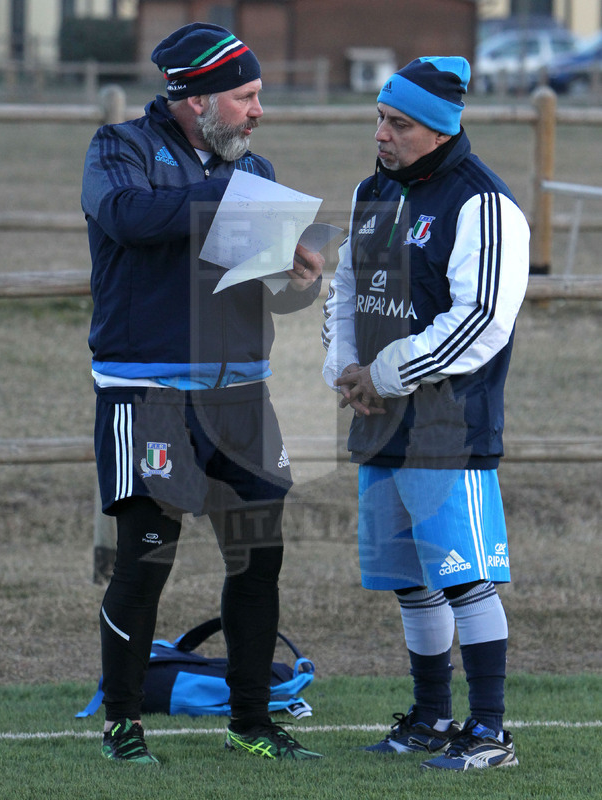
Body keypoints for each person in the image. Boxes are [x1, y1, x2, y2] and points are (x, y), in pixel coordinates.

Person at [82, 22, 325, 764]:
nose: (258, 111)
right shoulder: (118, 149)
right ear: (198, 99)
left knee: (258, 563)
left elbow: (244, 280)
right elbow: (126, 219)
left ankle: (250, 723)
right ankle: (123, 725)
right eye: (247, 96)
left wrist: (286, 269)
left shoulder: (249, 164)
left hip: (243, 399)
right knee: (145, 559)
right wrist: (224, 192)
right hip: (148, 394)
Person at [322, 56, 529, 771]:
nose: (381, 133)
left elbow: (479, 322)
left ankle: (490, 731)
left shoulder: (484, 204)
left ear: (439, 130)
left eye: (398, 123)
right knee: (409, 578)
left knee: (461, 574)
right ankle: (430, 719)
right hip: (378, 418)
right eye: (378, 117)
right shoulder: (371, 191)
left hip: (448, 424)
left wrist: (382, 373)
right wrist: (343, 372)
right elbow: (348, 288)